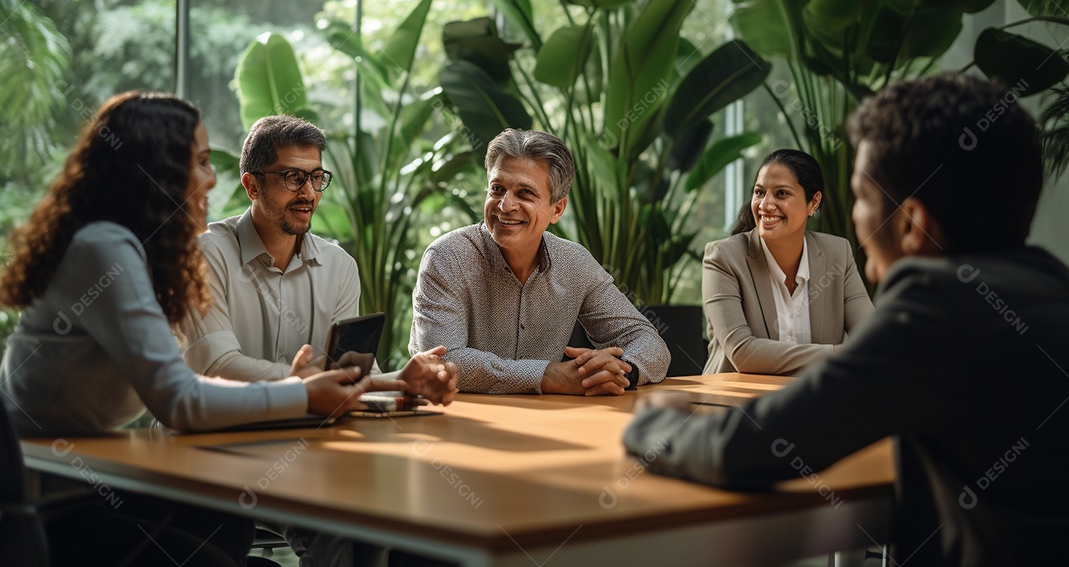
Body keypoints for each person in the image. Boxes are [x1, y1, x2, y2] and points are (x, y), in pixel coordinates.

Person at [623, 74, 1069, 566]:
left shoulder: (937, 306)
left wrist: (651, 427)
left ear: (910, 225)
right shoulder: (1062, 290)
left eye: (861, 197)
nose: (858, 219)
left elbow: (747, 452)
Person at [0, 92, 410, 566]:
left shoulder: (142, 252)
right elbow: (179, 399)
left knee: (232, 524)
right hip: (37, 496)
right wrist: (300, 391)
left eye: (316, 178)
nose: (212, 177)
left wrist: (388, 383)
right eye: (198, 161)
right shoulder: (104, 249)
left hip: (85, 476)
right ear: (157, 169)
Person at [177, 114, 457, 567]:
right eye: (292, 178)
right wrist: (302, 386)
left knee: (376, 514)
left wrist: (400, 381)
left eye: (315, 177)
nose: (308, 192)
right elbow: (215, 366)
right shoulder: (206, 255)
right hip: (217, 444)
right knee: (335, 520)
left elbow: (343, 375)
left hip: (310, 443)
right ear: (252, 185)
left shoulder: (339, 265)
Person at [410, 128, 670, 395]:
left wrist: (619, 371)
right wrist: (547, 376)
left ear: (557, 209)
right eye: (497, 189)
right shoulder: (447, 257)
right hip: (456, 423)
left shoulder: (574, 262)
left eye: (524, 193)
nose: (505, 205)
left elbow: (649, 342)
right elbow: (440, 363)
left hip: (546, 421)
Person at [702, 149, 874, 374]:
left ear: (814, 203)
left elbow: (872, 338)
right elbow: (743, 353)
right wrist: (842, 354)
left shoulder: (837, 254)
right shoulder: (723, 258)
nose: (766, 204)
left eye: (781, 193)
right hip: (736, 403)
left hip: (814, 401)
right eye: (759, 192)